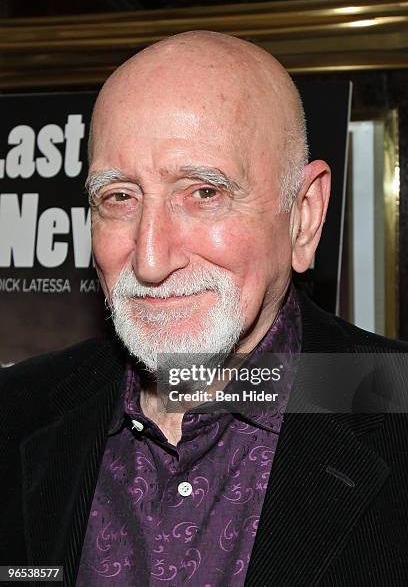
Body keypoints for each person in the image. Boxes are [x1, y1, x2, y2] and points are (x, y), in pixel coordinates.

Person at [1, 31, 407, 587]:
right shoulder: (18, 412)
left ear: (304, 215)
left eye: (204, 193)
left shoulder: (393, 406)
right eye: (119, 197)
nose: (148, 258)